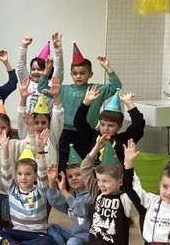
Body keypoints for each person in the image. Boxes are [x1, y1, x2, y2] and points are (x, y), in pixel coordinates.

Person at [36, 41, 122, 169]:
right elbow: (41, 88)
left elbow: (116, 86)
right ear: (71, 74)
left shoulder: (96, 89)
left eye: (82, 73)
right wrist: (47, 70)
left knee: (85, 166)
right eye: (75, 73)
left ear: (90, 74)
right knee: (64, 166)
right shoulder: (63, 89)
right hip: (65, 133)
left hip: (87, 134)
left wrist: (107, 68)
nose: (78, 76)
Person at [63, 138, 133, 245]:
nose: (101, 185)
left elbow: (133, 186)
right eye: (99, 180)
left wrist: (129, 164)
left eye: (106, 181)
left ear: (120, 182)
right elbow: (85, 168)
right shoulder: (97, 193)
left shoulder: (125, 199)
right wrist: (96, 148)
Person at [0, 131, 58, 245]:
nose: (23, 178)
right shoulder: (12, 189)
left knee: (48, 242)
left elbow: (43, 173)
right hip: (17, 233)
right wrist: (5, 149)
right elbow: (6, 170)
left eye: (28, 174)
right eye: (20, 174)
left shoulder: (40, 191)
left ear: (35, 176)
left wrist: (40, 150)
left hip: (37, 235)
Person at [73, 87, 144, 167]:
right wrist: (86, 102)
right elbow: (79, 122)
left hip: (116, 174)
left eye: (111, 125)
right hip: (93, 173)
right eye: (102, 124)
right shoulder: (92, 137)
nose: (106, 129)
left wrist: (129, 103)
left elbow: (138, 125)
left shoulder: (123, 140)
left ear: (119, 126)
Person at [45, 145, 93, 245]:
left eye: (78, 175)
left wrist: (64, 191)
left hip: (89, 238)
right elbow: (56, 202)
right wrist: (52, 183)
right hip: (75, 235)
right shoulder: (73, 195)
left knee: (72, 243)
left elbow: (81, 210)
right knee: (50, 227)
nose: (74, 178)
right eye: (70, 177)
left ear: (87, 176)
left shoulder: (91, 195)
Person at [16, 33, 64, 113]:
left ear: (48, 69)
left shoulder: (52, 84)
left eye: (40, 69)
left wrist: (57, 49)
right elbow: (21, 68)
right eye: (33, 69)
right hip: (29, 119)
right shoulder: (27, 83)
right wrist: (23, 46)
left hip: (47, 120)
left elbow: (59, 69)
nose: (36, 72)